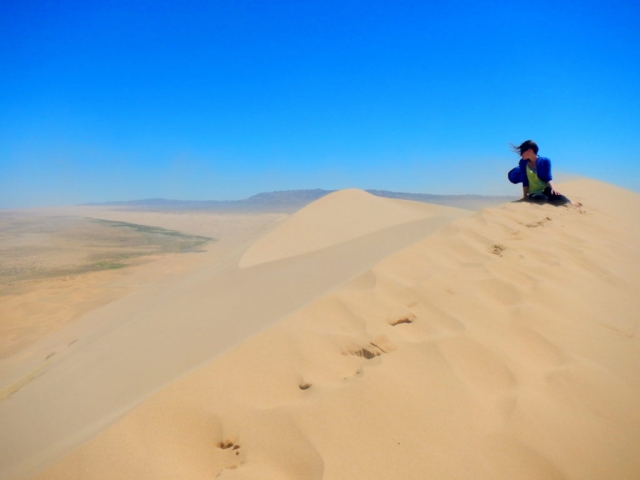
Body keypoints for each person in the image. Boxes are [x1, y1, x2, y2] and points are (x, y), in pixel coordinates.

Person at [509, 140, 572, 206]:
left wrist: (553, 189)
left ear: (529, 150)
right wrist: (525, 197)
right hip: (534, 193)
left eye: (522, 151)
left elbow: (548, 177)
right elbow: (525, 180)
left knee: (560, 198)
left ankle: (571, 203)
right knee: (541, 199)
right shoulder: (523, 163)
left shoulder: (545, 161)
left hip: (546, 190)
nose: (520, 154)